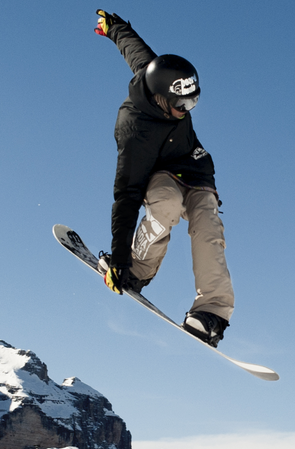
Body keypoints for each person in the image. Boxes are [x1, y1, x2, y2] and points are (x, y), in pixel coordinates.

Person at [92, 9, 233, 347]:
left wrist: (116, 27)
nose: (187, 111)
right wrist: (120, 260)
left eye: (193, 103)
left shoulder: (159, 73)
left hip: (196, 169)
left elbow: (133, 47)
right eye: (182, 105)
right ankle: (140, 268)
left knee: (208, 225)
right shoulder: (132, 131)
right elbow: (126, 197)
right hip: (159, 174)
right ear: (160, 99)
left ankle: (211, 313)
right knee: (166, 204)